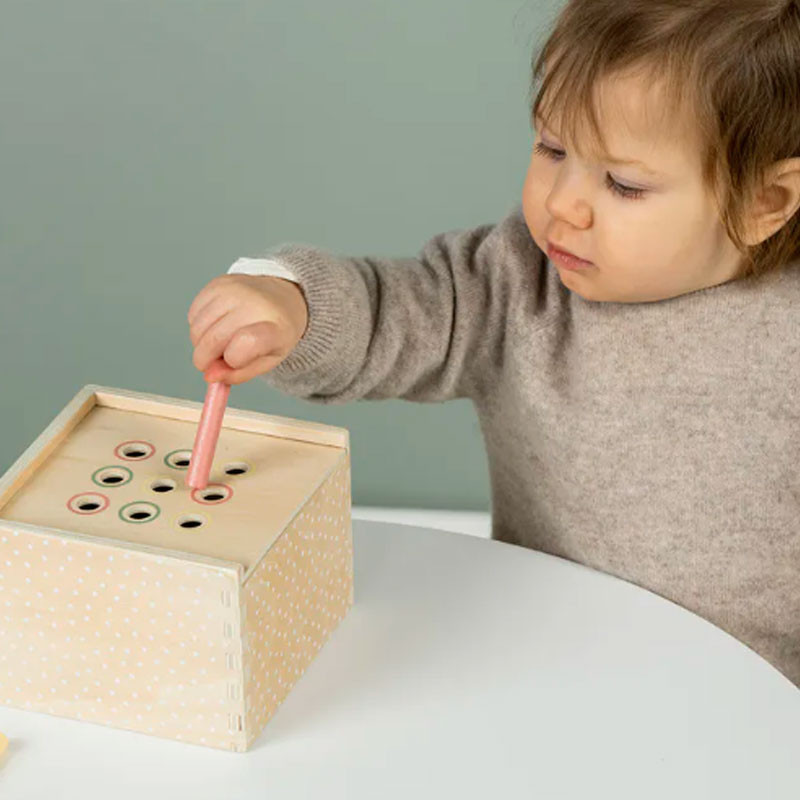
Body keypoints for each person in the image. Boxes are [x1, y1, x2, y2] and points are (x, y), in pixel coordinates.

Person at [187, 0, 800, 686]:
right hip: (540, 665)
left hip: (754, 702)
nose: (565, 203)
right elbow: (401, 309)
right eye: (552, 149)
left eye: (624, 185)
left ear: (764, 205)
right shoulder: (517, 283)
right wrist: (293, 305)